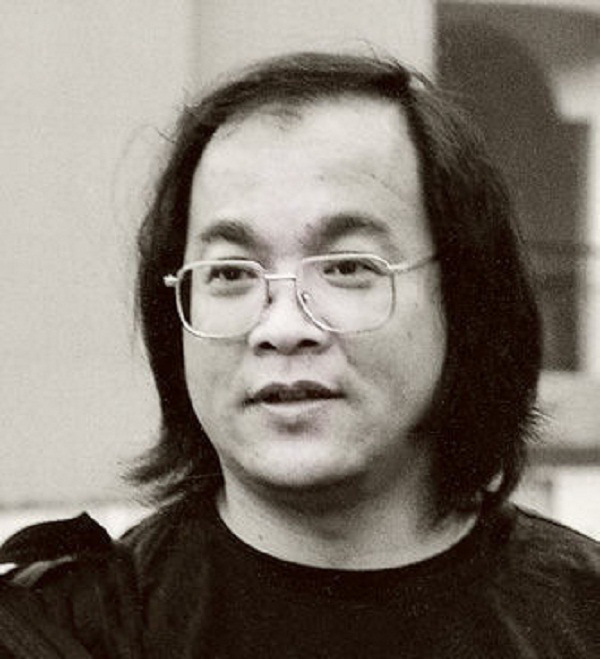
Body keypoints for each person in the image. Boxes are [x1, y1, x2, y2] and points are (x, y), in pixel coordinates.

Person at [0, 51, 598, 658]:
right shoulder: (65, 634)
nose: (282, 328)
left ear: (465, 297)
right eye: (230, 273)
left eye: (347, 267)